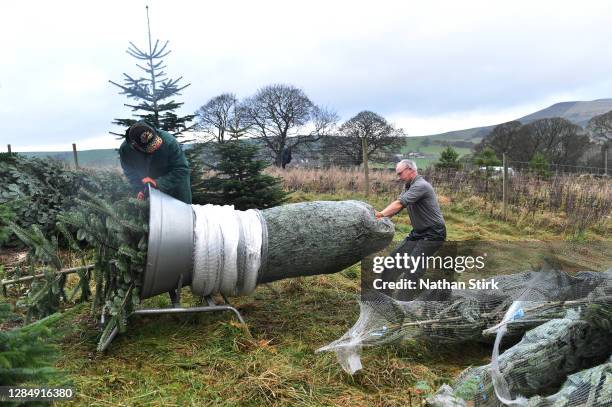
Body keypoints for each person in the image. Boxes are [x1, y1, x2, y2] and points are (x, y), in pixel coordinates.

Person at [375, 159, 446, 299]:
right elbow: (398, 206)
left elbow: (400, 204)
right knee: (392, 263)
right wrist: (383, 218)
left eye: (400, 173)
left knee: (413, 269)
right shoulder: (408, 186)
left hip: (433, 234)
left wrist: (381, 215)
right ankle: (383, 299)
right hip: (418, 233)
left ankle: (403, 305)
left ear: (410, 170)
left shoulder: (421, 185)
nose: (399, 177)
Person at [119, 121, 192, 204]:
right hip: (152, 193)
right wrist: (139, 189)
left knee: (180, 215)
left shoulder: (169, 142)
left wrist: (157, 183)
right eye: (150, 148)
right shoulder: (126, 150)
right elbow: (130, 172)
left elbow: (182, 169)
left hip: (176, 188)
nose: (155, 148)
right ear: (136, 146)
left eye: (156, 142)